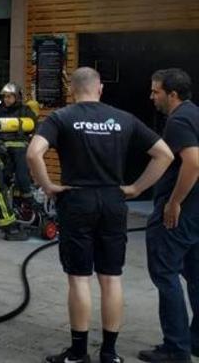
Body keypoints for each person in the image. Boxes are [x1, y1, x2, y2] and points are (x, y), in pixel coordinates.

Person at [27, 67, 173, 363]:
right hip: (113, 200)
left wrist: (49, 186)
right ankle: (109, 353)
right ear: (100, 89)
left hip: (77, 200)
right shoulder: (123, 118)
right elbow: (165, 154)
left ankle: (79, 353)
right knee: (111, 278)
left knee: (79, 278)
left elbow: (33, 153)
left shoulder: (61, 117)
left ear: (72, 90)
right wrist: (135, 188)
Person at [139, 68, 199, 363]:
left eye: (156, 91)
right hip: (197, 213)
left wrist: (174, 202)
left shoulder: (179, 120)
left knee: (165, 274)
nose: (152, 97)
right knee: (196, 275)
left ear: (172, 94)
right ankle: (195, 341)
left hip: (180, 214)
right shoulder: (196, 114)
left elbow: (194, 163)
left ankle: (176, 349)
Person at [0, 82, 37, 202]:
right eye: (5, 96)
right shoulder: (2, 112)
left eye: (9, 96)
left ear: (17, 97)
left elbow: (34, 126)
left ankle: (30, 203)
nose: (6, 99)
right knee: (2, 177)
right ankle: (1, 206)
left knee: (22, 177)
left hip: (20, 150)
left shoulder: (25, 110)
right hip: (5, 150)